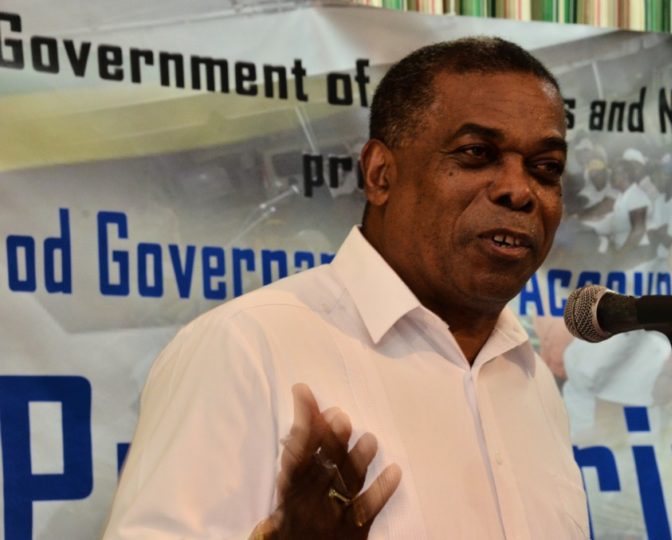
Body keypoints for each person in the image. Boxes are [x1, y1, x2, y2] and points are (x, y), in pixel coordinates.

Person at [103, 37, 588, 539]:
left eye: (546, 168)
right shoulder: (245, 346)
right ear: (380, 174)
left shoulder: (529, 376)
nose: (519, 190)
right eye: (476, 153)